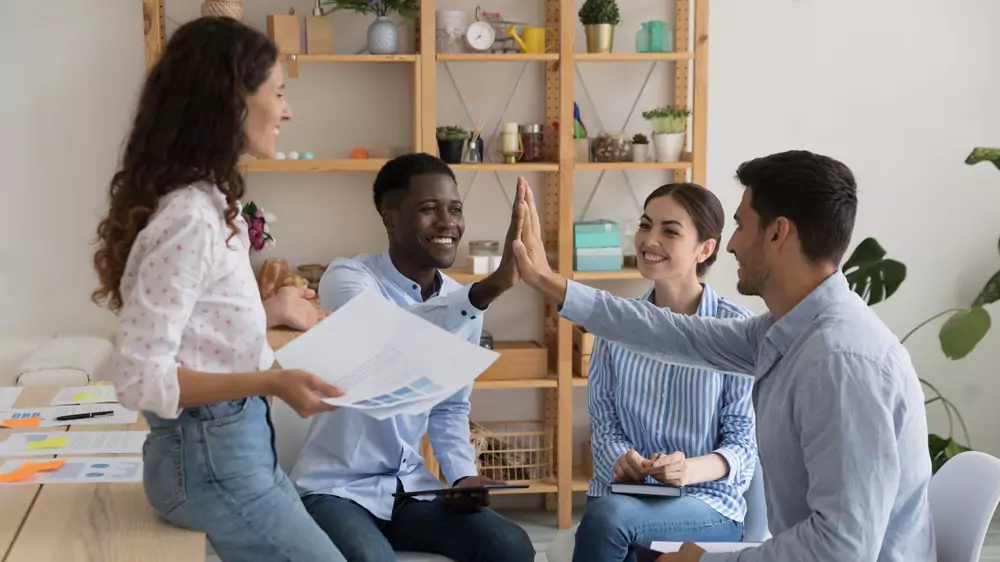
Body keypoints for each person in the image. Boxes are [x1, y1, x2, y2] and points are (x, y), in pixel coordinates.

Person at [511, 150, 936, 562]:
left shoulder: (840, 361)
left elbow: (842, 549)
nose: (730, 245)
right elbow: (668, 333)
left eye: (740, 225)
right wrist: (549, 282)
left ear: (777, 233)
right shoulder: (784, 331)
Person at [91, 17, 347, 562]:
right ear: (232, 102)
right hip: (211, 460)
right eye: (278, 94)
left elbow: (193, 328)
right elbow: (140, 379)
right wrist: (273, 381)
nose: (287, 110)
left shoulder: (206, 204)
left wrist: (266, 305)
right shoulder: (190, 217)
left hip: (231, 452)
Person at [289, 153, 535, 562]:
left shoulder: (462, 299)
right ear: (389, 219)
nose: (447, 223)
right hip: (335, 490)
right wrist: (482, 293)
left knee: (511, 547)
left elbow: (449, 406)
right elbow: (390, 343)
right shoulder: (347, 277)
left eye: (455, 209)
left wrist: (461, 476)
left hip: (410, 488)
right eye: (428, 209)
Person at [574, 183, 757, 562]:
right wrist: (623, 458)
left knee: (608, 519)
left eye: (670, 231)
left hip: (707, 504)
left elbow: (743, 445)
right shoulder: (617, 325)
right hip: (627, 495)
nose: (649, 240)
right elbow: (604, 421)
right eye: (645, 225)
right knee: (611, 519)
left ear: (705, 249)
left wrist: (687, 470)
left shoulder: (737, 329)